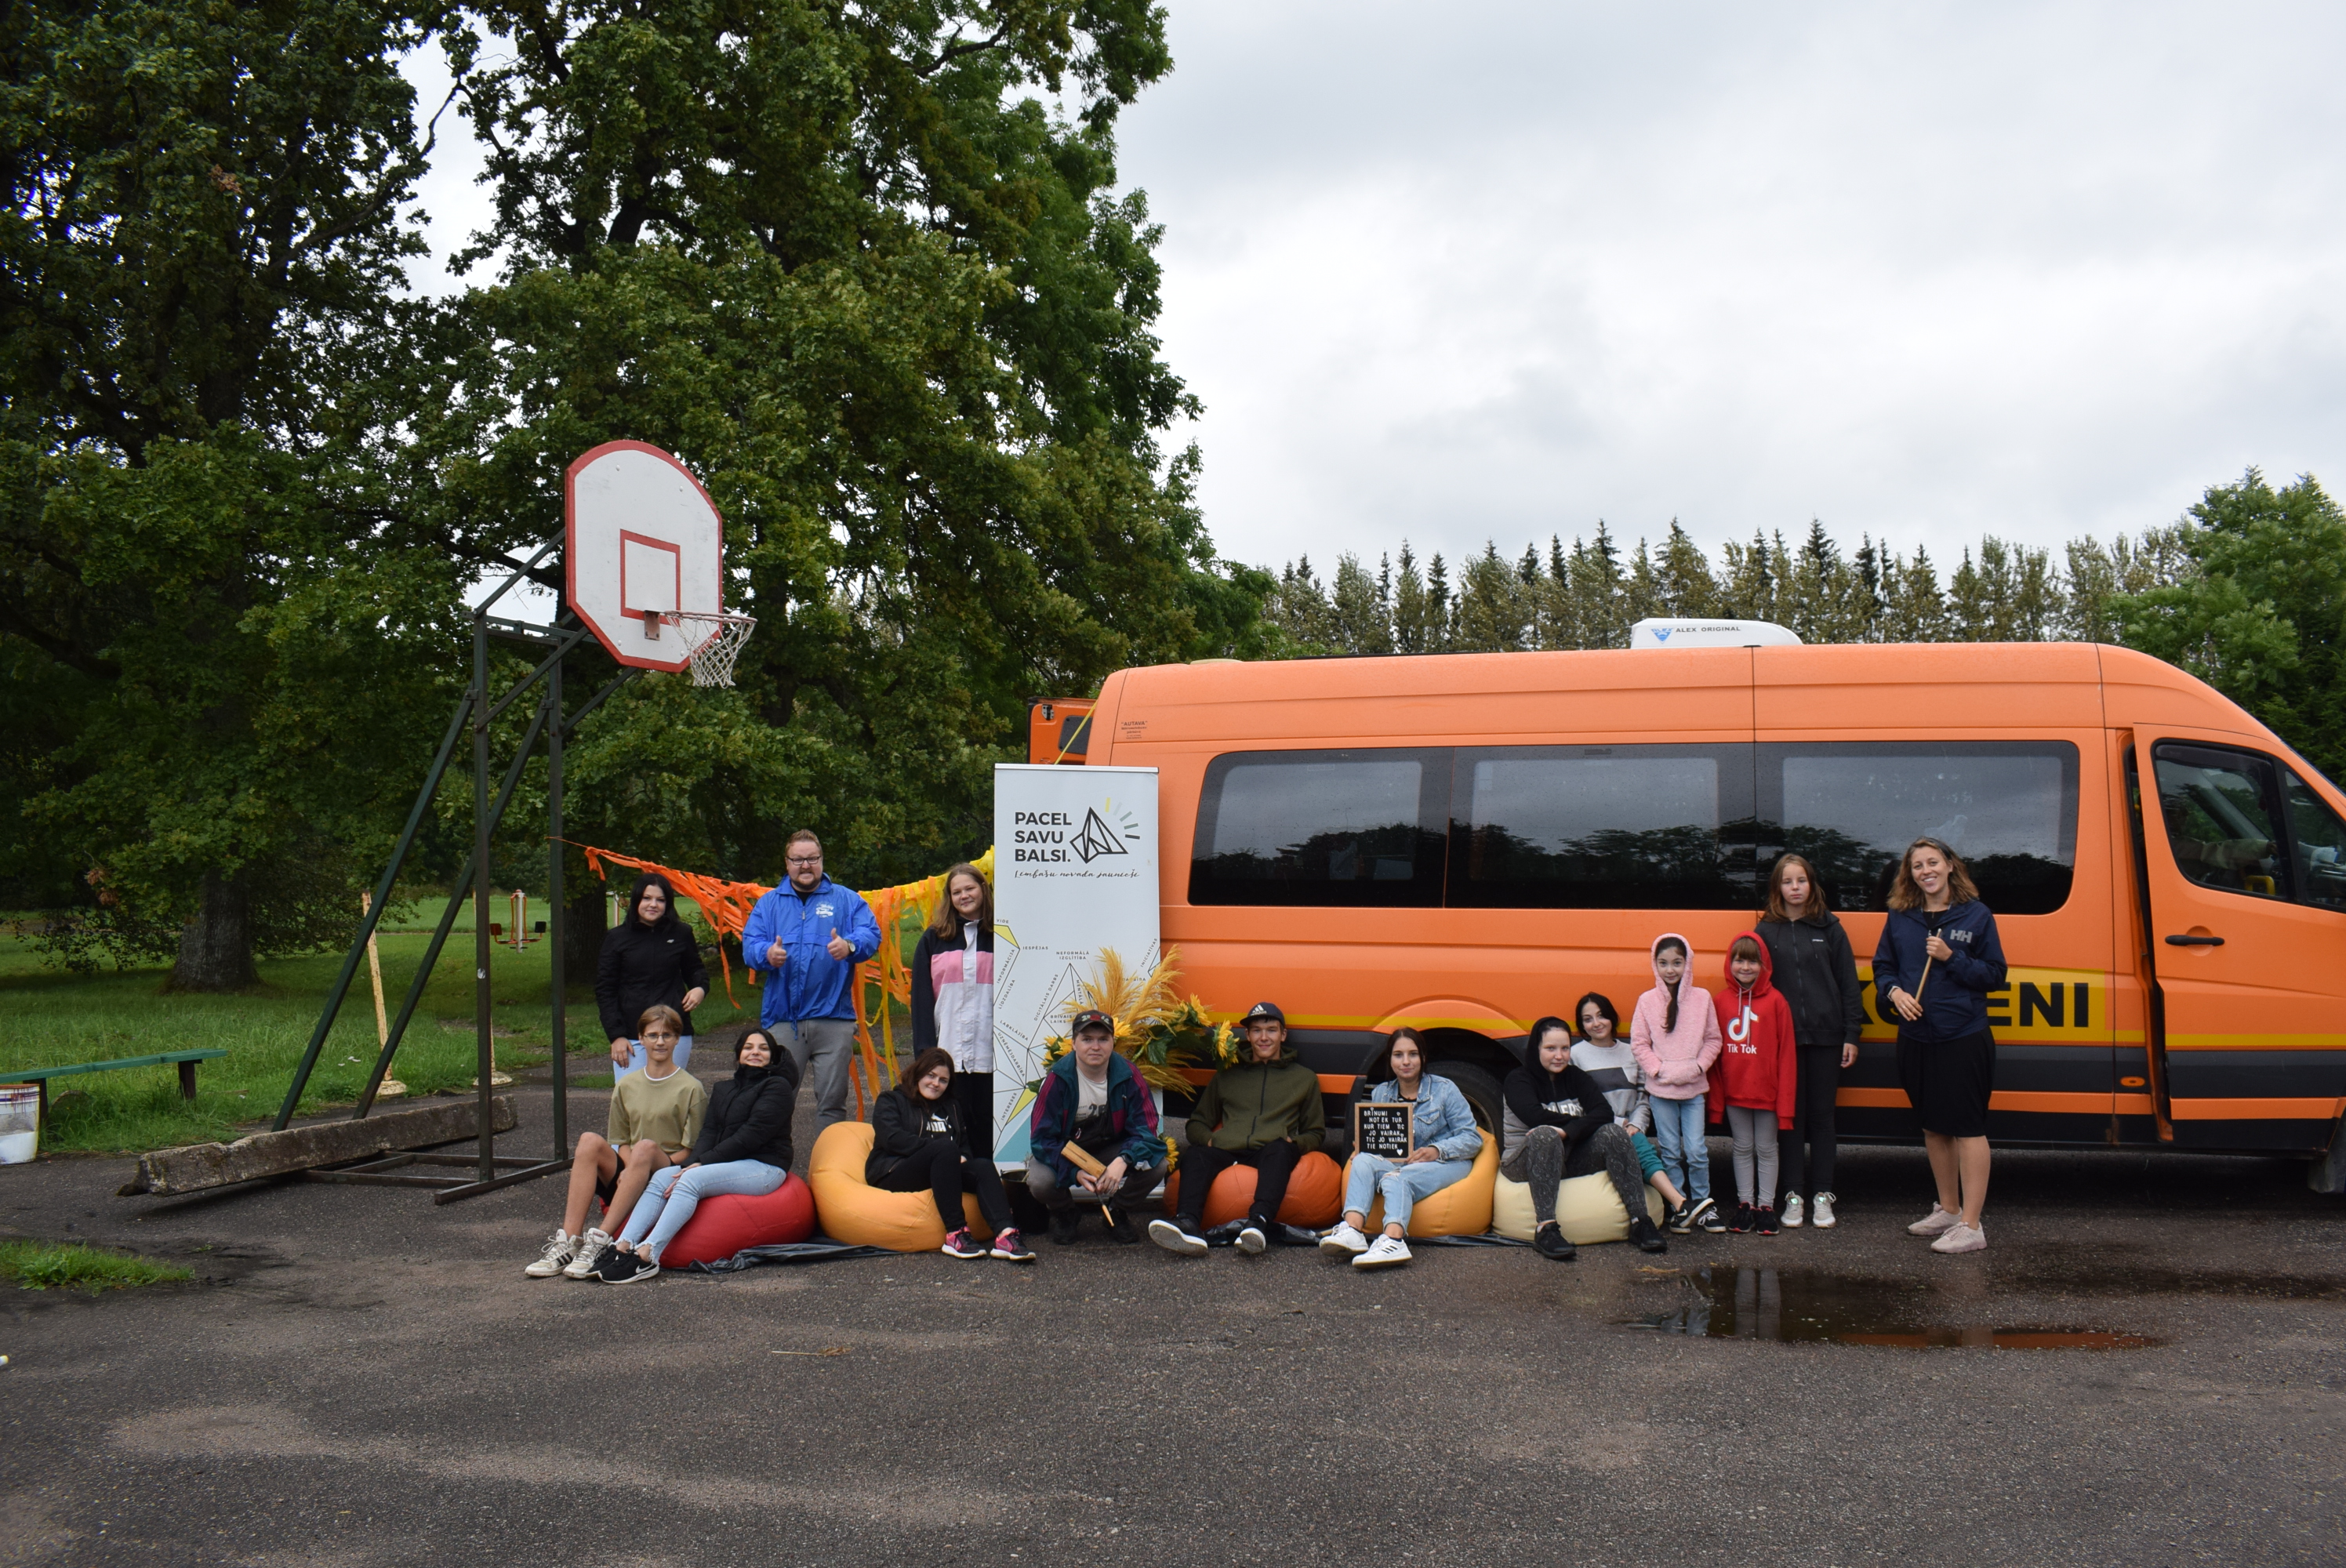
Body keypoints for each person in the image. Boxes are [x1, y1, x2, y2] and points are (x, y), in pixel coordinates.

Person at [1875, 837, 2006, 1255]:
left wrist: (1952, 956)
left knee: (1967, 1128)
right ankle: (1949, 1210)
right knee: (1933, 1126)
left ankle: (1972, 1225)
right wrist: (1894, 993)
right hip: (1916, 1036)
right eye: (1917, 866)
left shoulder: (1976, 914)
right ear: (1909, 874)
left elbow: (1994, 975)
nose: (1926, 871)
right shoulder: (1901, 917)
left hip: (1962, 1034)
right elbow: (1883, 967)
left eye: (1933, 862)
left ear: (1950, 865)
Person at [592, 1027, 803, 1283]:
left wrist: (702, 1164)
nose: (755, 1052)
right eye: (748, 1047)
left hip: (764, 1166)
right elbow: (709, 1131)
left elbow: (751, 1135)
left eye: (763, 1048)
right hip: (728, 1162)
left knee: (690, 1180)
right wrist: (690, 1164)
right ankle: (623, 1246)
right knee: (663, 1177)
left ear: (772, 1056)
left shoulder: (777, 1087)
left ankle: (648, 1255)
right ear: (739, 1054)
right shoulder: (725, 1088)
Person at [524, 1007, 709, 1280]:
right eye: (653, 1035)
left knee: (645, 1147)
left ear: (677, 1039)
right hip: (630, 1170)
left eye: (667, 1035)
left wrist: (638, 1163)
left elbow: (690, 1151)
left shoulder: (691, 1088)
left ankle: (600, 1242)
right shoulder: (626, 1085)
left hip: (664, 1175)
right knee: (589, 1140)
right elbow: (621, 1141)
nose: (660, 1042)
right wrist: (629, 1168)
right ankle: (569, 1242)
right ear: (641, 1039)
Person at [1149, 1000, 1327, 1258]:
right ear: (1248, 1035)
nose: (1264, 1037)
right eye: (1257, 1031)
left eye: (1271, 1030)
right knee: (1195, 1155)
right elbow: (1197, 1123)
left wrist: (1294, 1144)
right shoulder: (1227, 1075)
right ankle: (1187, 1223)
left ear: (1283, 1035)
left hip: (1270, 1150)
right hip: (1227, 1149)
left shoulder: (1304, 1078)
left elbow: (1316, 1132)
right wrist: (1210, 1141)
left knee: (1280, 1151)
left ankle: (1258, 1223)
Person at [741, 830, 881, 1131]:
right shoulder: (769, 904)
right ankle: (775, 1161)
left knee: (832, 1103)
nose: (806, 865)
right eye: (798, 859)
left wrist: (850, 945)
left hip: (834, 1019)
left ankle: (827, 1161)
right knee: (774, 1102)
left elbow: (871, 934)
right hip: (782, 1020)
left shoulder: (846, 900)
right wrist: (767, 954)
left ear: (821, 860)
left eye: (812, 859)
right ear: (787, 863)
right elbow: (750, 945)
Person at [1498, 1017, 1669, 1261]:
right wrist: (1580, 1125)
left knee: (1614, 1132)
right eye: (1550, 1048)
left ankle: (1640, 1222)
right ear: (1536, 1049)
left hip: (1570, 1156)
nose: (1559, 1056)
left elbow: (1604, 1112)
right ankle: (1546, 1229)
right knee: (1545, 1135)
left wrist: (1568, 1132)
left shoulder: (1576, 1077)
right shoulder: (1518, 1079)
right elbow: (1534, 1116)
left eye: (1565, 1048)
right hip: (1523, 1161)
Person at [1756, 853, 1865, 1229]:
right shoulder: (1765, 931)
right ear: (1777, 888)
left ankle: (1822, 1196)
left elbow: (1849, 985)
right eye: (1787, 882)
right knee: (1790, 1120)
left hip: (1827, 1038)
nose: (1795, 888)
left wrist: (1852, 1033)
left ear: (1811, 884)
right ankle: (1793, 1196)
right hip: (1783, 1042)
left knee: (1821, 1119)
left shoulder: (1830, 927)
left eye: (1801, 880)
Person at [1318, 1027, 1484, 1269]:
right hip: (1401, 1162)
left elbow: (1472, 1138)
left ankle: (1394, 1240)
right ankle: (1353, 1231)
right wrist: (1365, 1145)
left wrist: (1436, 1150)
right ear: (1390, 1060)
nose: (1406, 1062)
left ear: (1423, 1057)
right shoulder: (1381, 1093)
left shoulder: (1445, 1089)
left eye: (1413, 1054)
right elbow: (1381, 1140)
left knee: (1396, 1179)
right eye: (1398, 1055)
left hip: (1446, 1162)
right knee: (1362, 1161)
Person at [868, 1047, 1033, 1261]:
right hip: (895, 1170)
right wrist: (943, 1152)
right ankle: (956, 1233)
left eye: (943, 1080)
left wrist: (958, 1155)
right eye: (931, 1075)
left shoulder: (952, 1107)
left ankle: (1006, 1235)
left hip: (941, 1170)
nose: (936, 1083)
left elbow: (964, 1147)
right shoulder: (891, 1100)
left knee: (983, 1166)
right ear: (918, 1073)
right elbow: (891, 1139)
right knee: (944, 1148)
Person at [1025, 1009, 1169, 1244]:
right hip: (1069, 1152)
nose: (1095, 1047)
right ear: (1074, 1043)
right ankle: (1066, 1213)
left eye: (1103, 1039)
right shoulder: (1058, 1079)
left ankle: (1117, 1211)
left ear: (1113, 1043)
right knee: (1040, 1181)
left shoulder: (1129, 1075)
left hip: (1111, 1149)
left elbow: (1146, 1131)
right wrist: (1074, 1171)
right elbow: (1042, 1140)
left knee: (1158, 1165)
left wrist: (1123, 1160)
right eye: (1087, 1039)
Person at [1569, 992, 1705, 1233]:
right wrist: (1618, 1123)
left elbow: (1643, 1098)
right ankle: (1680, 1203)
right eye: (1588, 1019)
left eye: (1601, 1016)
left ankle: (1679, 1207)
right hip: (1597, 1128)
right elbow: (1577, 1104)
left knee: (1638, 1141)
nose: (1596, 1023)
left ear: (1612, 1018)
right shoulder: (1576, 1055)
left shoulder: (1632, 1051)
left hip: (1630, 1128)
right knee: (1642, 1147)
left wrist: (1636, 1125)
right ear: (1582, 1025)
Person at [1629, 934, 1725, 1235]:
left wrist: (1697, 1067)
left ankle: (1704, 1205)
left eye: (1677, 963)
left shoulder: (1702, 998)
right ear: (1655, 965)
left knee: (1696, 1150)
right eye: (1663, 963)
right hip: (1661, 1092)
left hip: (1694, 1089)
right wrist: (1657, 1070)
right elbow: (1639, 1043)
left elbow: (1713, 1039)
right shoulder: (1647, 1001)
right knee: (1670, 1151)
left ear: (1687, 963)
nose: (1670, 970)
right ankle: (1680, 1207)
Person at [1707, 933, 1798, 1235]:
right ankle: (1745, 1204)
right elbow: (1714, 1054)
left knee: (1767, 1148)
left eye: (1752, 961)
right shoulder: (1720, 1001)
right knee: (1742, 1147)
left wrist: (1785, 1104)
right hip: (1735, 1093)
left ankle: (1766, 1207)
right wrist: (1717, 1101)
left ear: (1764, 964)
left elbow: (1787, 1055)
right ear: (1729, 963)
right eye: (1739, 960)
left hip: (1767, 1094)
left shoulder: (1777, 1002)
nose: (1745, 967)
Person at [910, 863, 997, 1157]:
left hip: (990, 1054)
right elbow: (921, 1001)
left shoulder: (1001, 935)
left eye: (969, 888)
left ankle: (990, 1183)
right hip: (948, 1052)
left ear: (983, 890)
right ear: (950, 897)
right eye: (957, 892)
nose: (964, 896)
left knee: (987, 1131)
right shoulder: (934, 938)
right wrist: (925, 1054)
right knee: (952, 1134)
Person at [595, 872, 710, 1080]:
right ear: (636, 900)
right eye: (647, 898)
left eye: (660, 900)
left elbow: (695, 970)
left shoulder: (681, 933)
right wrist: (616, 1036)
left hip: (674, 1032)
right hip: (632, 1036)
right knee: (633, 1096)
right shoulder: (617, 938)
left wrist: (700, 989)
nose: (653, 905)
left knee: (671, 1094)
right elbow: (605, 990)